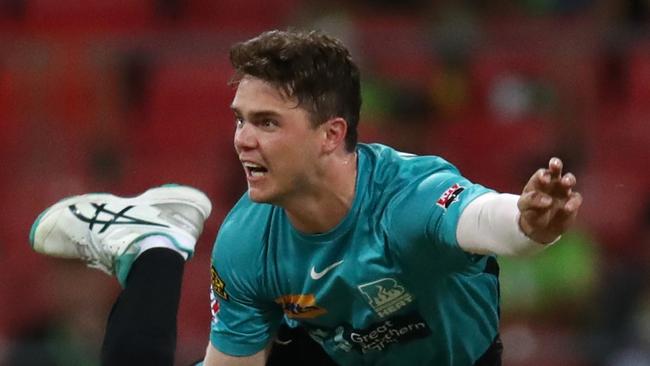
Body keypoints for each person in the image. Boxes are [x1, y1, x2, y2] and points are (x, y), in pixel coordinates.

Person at [29, 29, 582, 366]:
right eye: (240, 119)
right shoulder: (247, 241)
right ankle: (156, 248)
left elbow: (487, 222)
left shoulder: (409, 198)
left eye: (267, 122)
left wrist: (532, 220)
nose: (243, 139)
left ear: (331, 134)